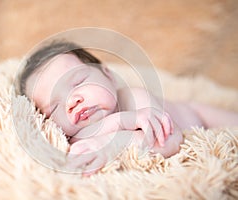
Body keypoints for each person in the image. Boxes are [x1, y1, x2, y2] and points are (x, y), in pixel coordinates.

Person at [18, 41, 238, 175]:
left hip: (197, 115)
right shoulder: (77, 138)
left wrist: (111, 146)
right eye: (54, 108)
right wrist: (103, 140)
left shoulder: (134, 98)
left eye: (78, 82)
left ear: (108, 76)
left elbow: (170, 140)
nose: (71, 101)